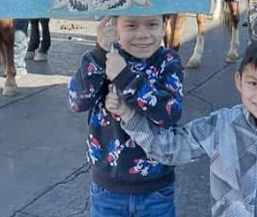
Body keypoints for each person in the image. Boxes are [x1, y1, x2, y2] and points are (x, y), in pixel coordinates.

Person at [106, 40, 257, 217]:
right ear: (239, 81)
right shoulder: (221, 126)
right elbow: (171, 149)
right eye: (253, 83)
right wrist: (129, 115)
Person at [67, 15, 183, 217]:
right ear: (114, 25)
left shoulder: (168, 61)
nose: (143, 34)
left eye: (152, 24)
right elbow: (77, 102)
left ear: (164, 26)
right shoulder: (103, 58)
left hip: (155, 189)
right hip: (107, 188)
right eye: (131, 25)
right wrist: (99, 53)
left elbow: (170, 113)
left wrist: (124, 77)